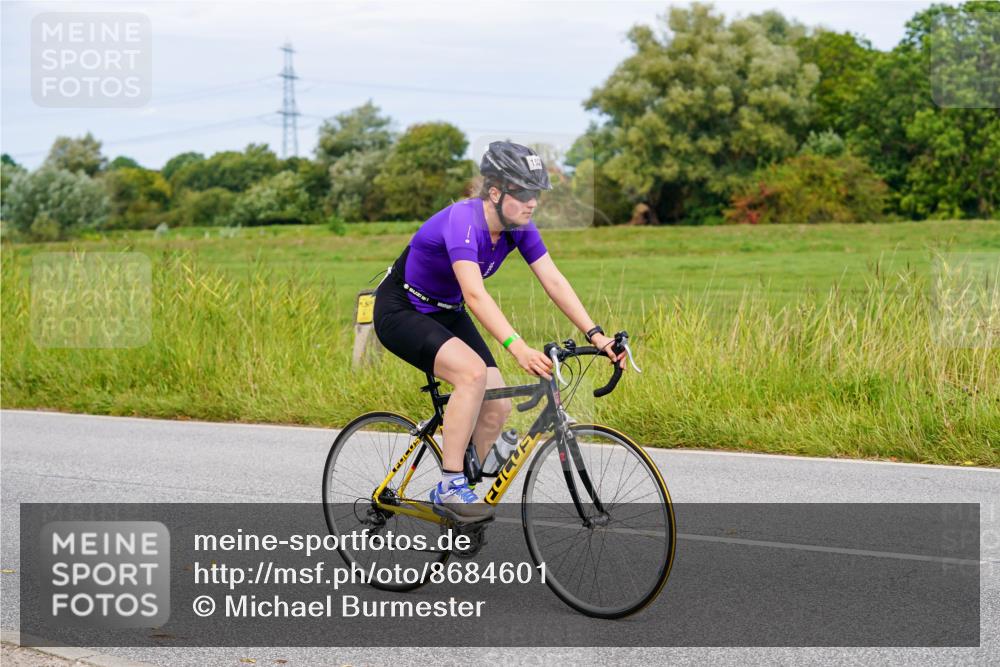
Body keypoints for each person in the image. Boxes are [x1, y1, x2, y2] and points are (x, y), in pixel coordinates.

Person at [372, 141, 625, 521]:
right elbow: (475, 295)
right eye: (524, 192)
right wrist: (517, 347)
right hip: (402, 308)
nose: (532, 202)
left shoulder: (518, 227)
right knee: (471, 376)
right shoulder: (463, 221)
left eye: (536, 194)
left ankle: (463, 504)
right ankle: (450, 485)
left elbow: (553, 280)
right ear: (495, 191)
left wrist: (596, 334)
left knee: (499, 406)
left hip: (446, 311)